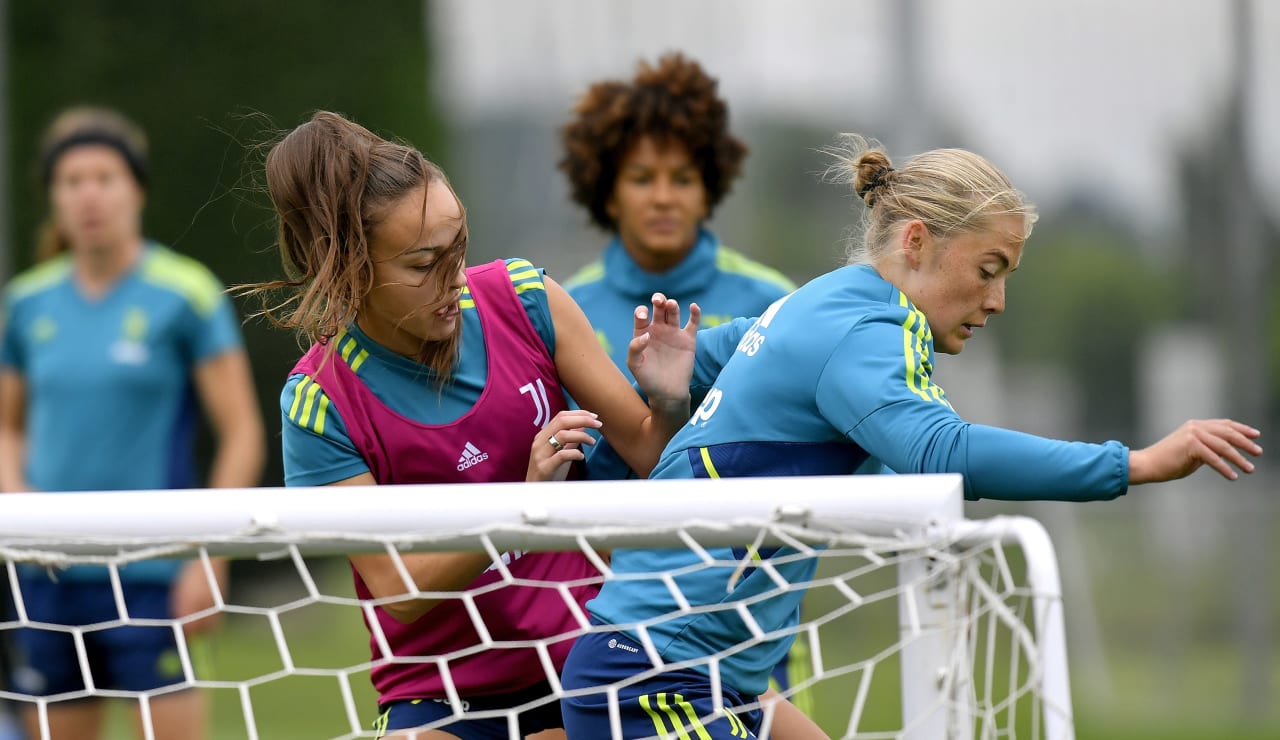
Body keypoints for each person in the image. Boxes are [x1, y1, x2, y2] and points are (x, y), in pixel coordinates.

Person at [559, 135, 1264, 739]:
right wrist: (1132, 463)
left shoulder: (815, 304)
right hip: (652, 677)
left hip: (721, 680)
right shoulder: (865, 331)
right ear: (918, 240)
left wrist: (670, 384)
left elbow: (712, 368)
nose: (997, 301)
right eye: (988, 271)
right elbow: (943, 452)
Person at [244, 110, 724, 740]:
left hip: (584, 662)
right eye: (422, 264)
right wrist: (520, 505)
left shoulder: (526, 299)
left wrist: (664, 401)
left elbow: (650, 456)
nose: (453, 281)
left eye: (459, 249)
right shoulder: (320, 400)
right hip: (439, 693)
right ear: (353, 265)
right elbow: (400, 593)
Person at [558, 54, 820, 724]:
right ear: (607, 191)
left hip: (749, 631)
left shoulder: (774, 304)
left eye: (683, 177)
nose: (664, 196)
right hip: (614, 634)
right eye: (642, 178)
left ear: (711, 188)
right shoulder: (565, 314)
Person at [0, 107, 265, 739]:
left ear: (136, 189)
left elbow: (242, 432)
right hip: (48, 576)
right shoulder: (26, 302)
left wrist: (212, 555)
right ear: (55, 197)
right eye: (71, 180)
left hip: (153, 574)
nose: (88, 194)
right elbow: (6, 427)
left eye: (104, 177)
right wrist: (17, 502)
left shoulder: (185, 294)